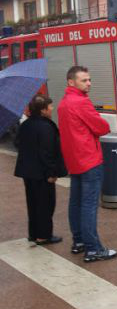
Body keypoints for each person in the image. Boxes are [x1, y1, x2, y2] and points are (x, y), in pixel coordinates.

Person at [58, 66, 117, 262]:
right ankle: (93, 248)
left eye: (89, 79)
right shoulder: (81, 102)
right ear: (71, 82)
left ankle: (79, 241)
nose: (89, 83)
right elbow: (102, 127)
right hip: (89, 159)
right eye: (84, 80)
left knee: (75, 202)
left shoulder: (64, 103)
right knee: (89, 204)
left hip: (74, 161)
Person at [14, 95, 67, 245]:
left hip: (28, 172)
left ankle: (33, 233)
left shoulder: (26, 125)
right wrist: (52, 173)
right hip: (42, 173)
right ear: (43, 110)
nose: (52, 109)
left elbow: (17, 143)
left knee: (32, 203)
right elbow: (47, 152)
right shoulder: (45, 126)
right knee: (46, 204)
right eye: (50, 107)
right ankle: (43, 236)